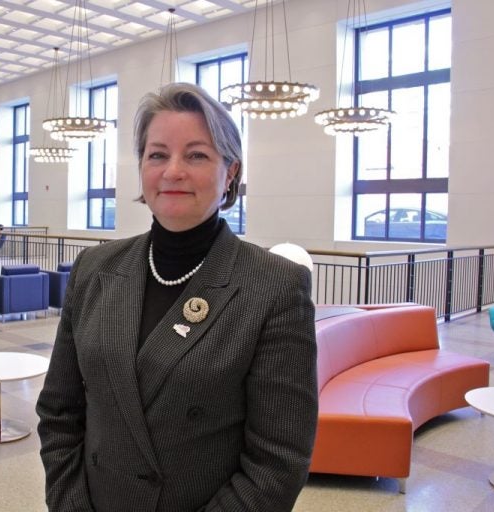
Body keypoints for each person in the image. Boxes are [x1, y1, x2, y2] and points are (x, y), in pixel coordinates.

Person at [36, 82, 318, 512]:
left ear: (231, 172)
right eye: (157, 154)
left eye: (197, 155)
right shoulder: (94, 270)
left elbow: (277, 462)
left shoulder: (274, 287)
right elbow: (59, 413)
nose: (172, 171)